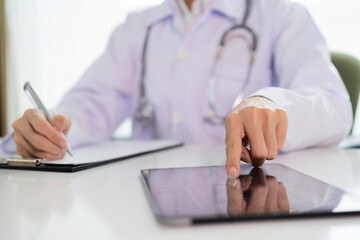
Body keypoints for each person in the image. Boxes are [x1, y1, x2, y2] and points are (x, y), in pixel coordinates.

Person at [1, 0, 352, 179]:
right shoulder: (138, 29)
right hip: (149, 202)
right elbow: (90, 104)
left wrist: (271, 104)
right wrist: (49, 130)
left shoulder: (280, 14)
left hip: (248, 198)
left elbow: (334, 105)